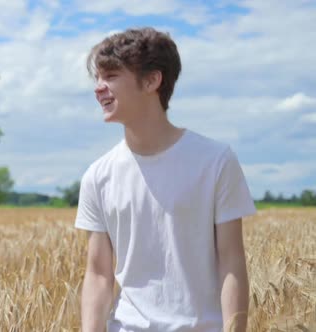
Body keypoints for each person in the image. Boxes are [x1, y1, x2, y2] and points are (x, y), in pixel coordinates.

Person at [75, 28, 256, 331]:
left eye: (110, 76)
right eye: (97, 78)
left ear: (151, 80)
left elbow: (232, 263)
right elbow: (98, 274)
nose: (98, 88)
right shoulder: (97, 176)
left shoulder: (216, 162)